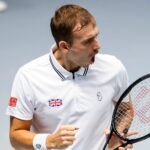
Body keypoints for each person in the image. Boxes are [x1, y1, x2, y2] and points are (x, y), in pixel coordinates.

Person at [6, 4, 134, 150]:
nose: (97, 46)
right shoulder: (28, 77)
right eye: (87, 41)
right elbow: (16, 137)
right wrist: (48, 141)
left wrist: (117, 136)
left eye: (96, 36)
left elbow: (126, 110)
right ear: (65, 46)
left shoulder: (114, 68)